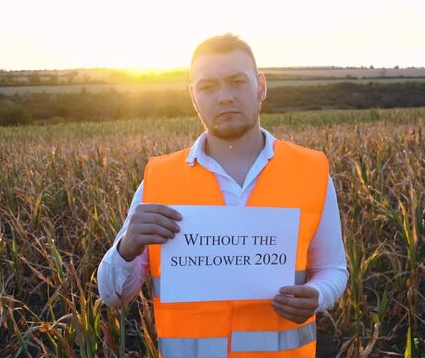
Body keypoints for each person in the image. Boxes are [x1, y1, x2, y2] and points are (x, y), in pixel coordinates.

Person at [97, 33, 348, 357]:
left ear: (261, 86)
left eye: (236, 81)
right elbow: (111, 294)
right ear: (193, 96)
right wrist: (127, 247)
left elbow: (333, 269)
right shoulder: (160, 180)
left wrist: (316, 295)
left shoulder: (310, 172)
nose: (225, 97)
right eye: (208, 86)